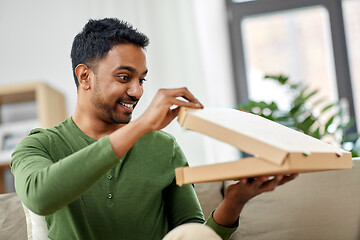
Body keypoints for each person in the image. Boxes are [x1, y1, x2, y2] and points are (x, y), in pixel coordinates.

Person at [10, 18, 297, 240]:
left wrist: (234, 202)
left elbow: (192, 234)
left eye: (142, 80)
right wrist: (144, 125)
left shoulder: (163, 147)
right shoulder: (39, 146)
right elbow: (40, 196)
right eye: (124, 77)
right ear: (85, 76)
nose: (136, 91)